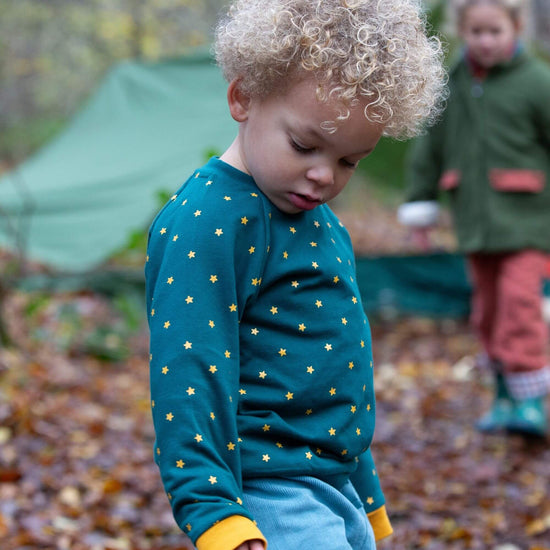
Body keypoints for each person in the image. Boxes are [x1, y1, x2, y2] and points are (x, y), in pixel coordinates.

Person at [145, 1, 445, 548]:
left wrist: (366, 493)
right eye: (304, 146)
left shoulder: (323, 224)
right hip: (270, 492)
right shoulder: (207, 220)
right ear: (244, 97)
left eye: (349, 161)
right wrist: (214, 513)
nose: (323, 176)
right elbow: (189, 371)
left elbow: (334, 370)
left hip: (335, 488)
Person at [398, 0, 550, 437]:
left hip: (527, 222)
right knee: (487, 312)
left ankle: (531, 401)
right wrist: (421, 205)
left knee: (519, 307)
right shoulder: (454, 82)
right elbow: (430, 149)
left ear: (516, 26)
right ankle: (504, 396)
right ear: (461, 30)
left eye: (494, 31)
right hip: (475, 224)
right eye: (476, 32)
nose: (485, 41)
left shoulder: (536, 82)